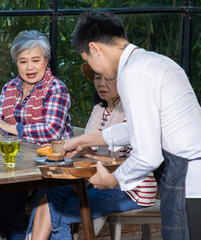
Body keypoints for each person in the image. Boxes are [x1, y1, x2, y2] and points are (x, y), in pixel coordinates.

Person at [62, 9, 201, 240]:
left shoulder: (133, 74)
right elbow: (145, 126)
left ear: (95, 48)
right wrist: (86, 139)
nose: (96, 71)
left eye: (87, 60)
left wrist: (112, 180)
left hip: (187, 181)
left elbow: (148, 155)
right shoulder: (155, 62)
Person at [27, 63, 157, 240]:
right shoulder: (99, 110)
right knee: (50, 191)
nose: (102, 84)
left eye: (109, 78)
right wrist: (81, 150)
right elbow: (91, 150)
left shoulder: (133, 112)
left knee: (59, 211)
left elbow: (139, 161)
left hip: (130, 189)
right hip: (95, 179)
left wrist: (94, 157)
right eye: (97, 77)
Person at [0, 30, 73, 240]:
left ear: (46, 60)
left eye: (36, 60)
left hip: (51, 170)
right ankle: (17, 235)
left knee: (6, 199)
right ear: (16, 63)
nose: (29, 67)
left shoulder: (56, 88)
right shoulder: (9, 87)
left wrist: (10, 128)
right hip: (16, 167)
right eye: (23, 61)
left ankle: (19, 235)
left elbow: (51, 131)